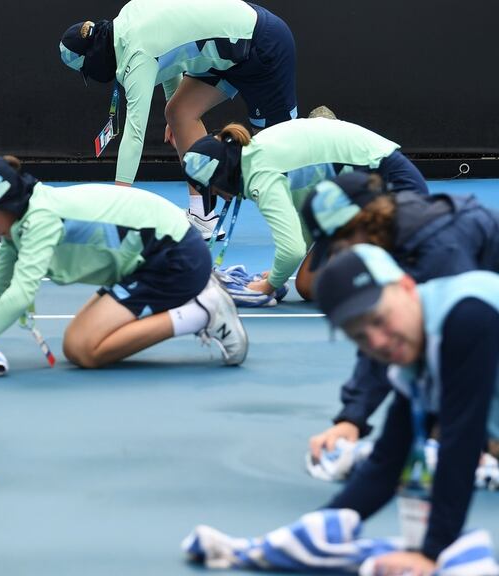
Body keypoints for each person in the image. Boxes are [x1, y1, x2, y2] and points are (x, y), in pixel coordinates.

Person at [0, 156, 248, 368]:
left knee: (83, 348)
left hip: (175, 258)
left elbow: (20, 294)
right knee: (77, 344)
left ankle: (203, 311)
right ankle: (200, 308)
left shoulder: (41, 219)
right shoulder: (20, 222)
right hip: (152, 257)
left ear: (7, 205)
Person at [313, 244, 499, 574]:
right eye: (360, 337)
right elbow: (388, 461)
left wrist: (431, 553)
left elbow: (461, 441)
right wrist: (314, 532)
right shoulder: (420, 349)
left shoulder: (466, 316)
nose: (378, 342)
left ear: (407, 287)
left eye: (379, 320)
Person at [300, 172, 499, 463]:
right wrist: (352, 418)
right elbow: (382, 336)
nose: (340, 258)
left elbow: (459, 348)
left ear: (361, 223)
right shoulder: (394, 237)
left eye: (340, 246)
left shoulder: (438, 250)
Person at [58, 0, 296, 239]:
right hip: (229, 50)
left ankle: (324, 211)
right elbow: (172, 61)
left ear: (93, 60)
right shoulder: (127, 20)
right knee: (179, 112)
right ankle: (203, 217)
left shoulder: (137, 55)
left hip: (263, 44)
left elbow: (135, 134)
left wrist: (118, 205)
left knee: (279, 152)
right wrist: (174, 121)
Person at [181, 118, 427, 300]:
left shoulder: (260, 174)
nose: (219, 196)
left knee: (351, 280)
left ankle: (411, 267)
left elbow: (292, 250)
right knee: (309, 285)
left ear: (222, 176)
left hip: (395, 190)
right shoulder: (255, 155)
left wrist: (268, 286)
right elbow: (305, 226)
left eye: (213, 190)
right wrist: (277, 274)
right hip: (354, 200)